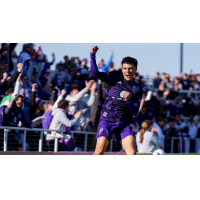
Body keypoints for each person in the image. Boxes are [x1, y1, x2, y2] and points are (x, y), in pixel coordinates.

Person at [90, 46, 143, 155]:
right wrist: (92, 55)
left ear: (135, 69)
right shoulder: (114, 76)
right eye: (125, 68)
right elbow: (95, 74)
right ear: (121, 68)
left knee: (132, 153)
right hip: (107, 120)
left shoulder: (137, 88)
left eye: (130, 68)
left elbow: (134, 112)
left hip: (123, 123)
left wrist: (128, 100)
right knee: (99, 151)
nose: (127, 71)